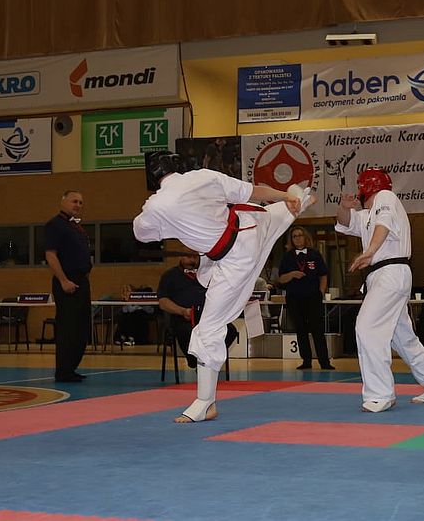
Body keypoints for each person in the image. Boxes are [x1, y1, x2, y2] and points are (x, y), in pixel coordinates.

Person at [133, 150, 310, 423]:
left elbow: (140, 233)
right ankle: (298, 200)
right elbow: (254, 191)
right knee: (279, 210)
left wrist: (165, 219)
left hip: (234, 259)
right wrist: (286, 195)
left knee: (208, 329)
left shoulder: (157, 205)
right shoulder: (203, 176)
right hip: (251, 225)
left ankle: (205, 403)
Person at [335, 168, 424, 413]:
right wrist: (343, 207)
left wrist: (369, 251)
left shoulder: (385, 197)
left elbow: (383, 226)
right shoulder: (368, 215)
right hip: (384, 276)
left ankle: (380, 394)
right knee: (403, 338)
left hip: (390, 272)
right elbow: (345, 223)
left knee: (367, 328)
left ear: (365, 187)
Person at [157, 252, 238, 368]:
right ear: (181, 256)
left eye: (195, 257)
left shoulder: (209, 273)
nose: (192, 260)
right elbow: (163, 302)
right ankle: (195, 361)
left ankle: (208, 360)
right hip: (183, 317)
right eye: (188, 257)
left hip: (208, 317)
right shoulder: (170, 276)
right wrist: (182, 311)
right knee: (188, 332)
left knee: (230, 330)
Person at [45, 190, 92, 383]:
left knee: (81, 327)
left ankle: (71, 368)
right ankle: (63, 370)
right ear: (63, 201)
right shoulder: (55, 225)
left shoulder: (76, 227)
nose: (78, 205)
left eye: (80, 202)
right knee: (68, 327)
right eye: (74, 201)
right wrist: (63, 280)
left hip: (81, 280)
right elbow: (51, 255)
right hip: (67, 280)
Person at [278, 226, 334, 370]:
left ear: (305, 237)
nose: (298, 238)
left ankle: (324, 362)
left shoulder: (315, 254)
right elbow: (281, 279)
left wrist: (321, 291)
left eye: (300, 235)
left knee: (317, 329)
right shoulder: (287, 257)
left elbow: (323, 274)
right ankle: (306, 361)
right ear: (291, 239)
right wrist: (292, 275)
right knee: (300, 329)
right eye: (294, 236)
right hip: (294, 298)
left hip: (313, 297)